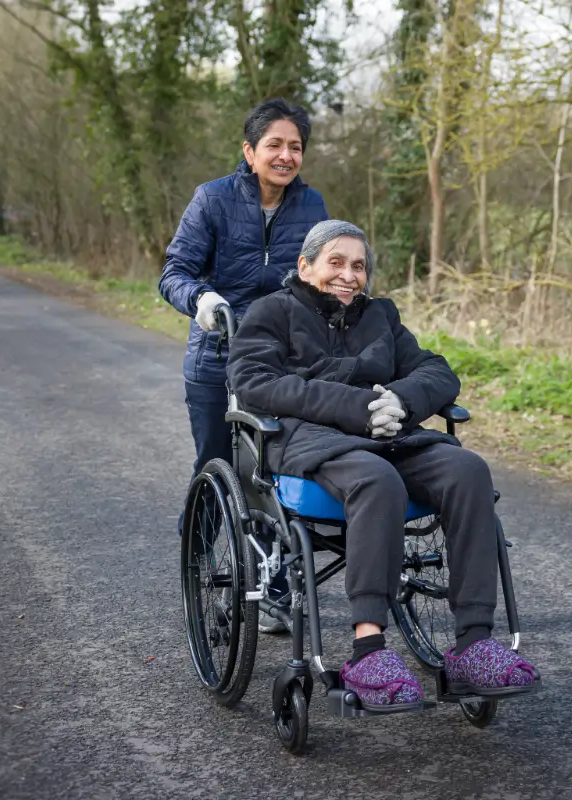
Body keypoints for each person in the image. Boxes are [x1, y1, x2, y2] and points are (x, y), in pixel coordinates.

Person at [226, 220, 538, 708]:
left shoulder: (380, 316)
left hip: (393, 437)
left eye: (358, 265)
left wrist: (399, 400)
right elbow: (255, 382)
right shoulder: (273, 312)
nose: (349, 275)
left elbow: (437, 371)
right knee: (378, 481)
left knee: (468, 470)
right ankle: (368, 650)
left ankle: (473, 644)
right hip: (315, 440)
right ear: (305, 265)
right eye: (335, 262)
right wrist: (355, 408)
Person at [159, 98, 329, 634]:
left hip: (282, 361)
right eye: (274, 145)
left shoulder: (312, 206)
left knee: (275, 467)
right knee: (220, 463)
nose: (285, 155)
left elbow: (320, 278)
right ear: (249, 151)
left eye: (295, 146)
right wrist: (203, 299)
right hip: (216, 357)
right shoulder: (211, 200)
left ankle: (275, 577)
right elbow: (174, 271)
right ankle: (201, 563)